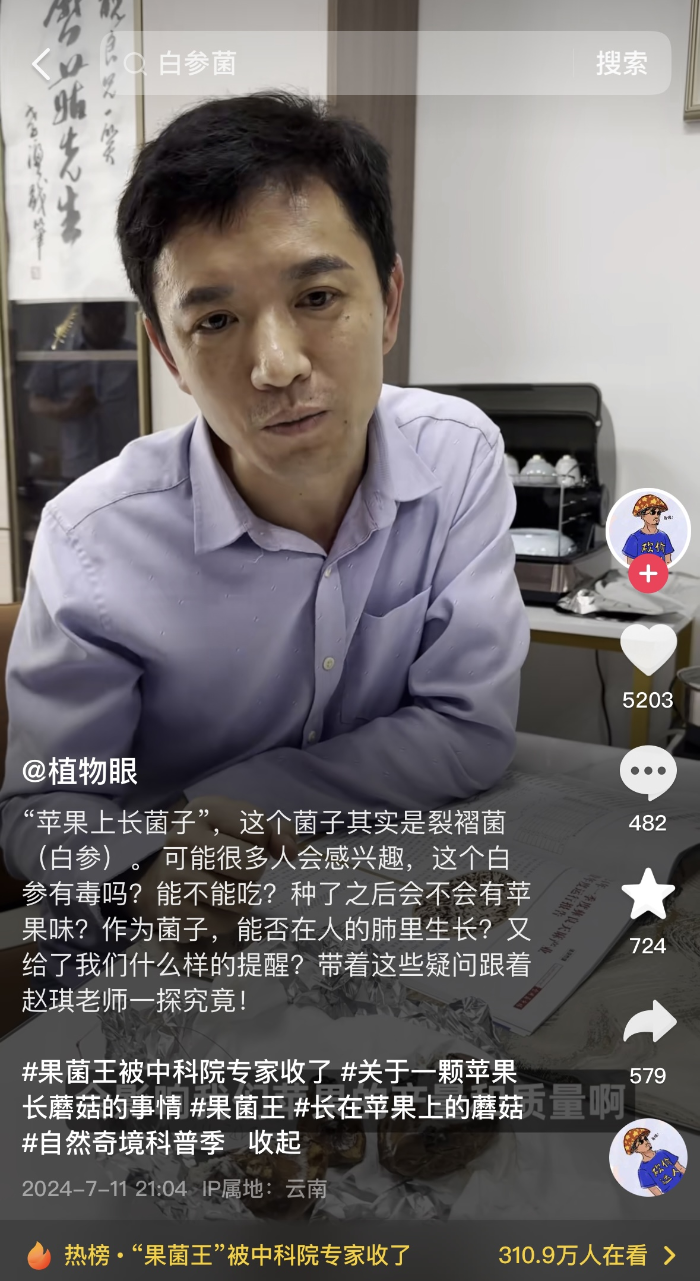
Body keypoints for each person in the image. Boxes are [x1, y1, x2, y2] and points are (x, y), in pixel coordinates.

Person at [0, 92, 529, 989]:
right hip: (156, 953)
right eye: (215, 320)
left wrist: (238, 800)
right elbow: (42, 808)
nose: (278, 365)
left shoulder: (459, 457)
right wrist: (143, 868)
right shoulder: (95, 538)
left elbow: (467, 727)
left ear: (389, 301)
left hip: (356, 920)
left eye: (318, 296)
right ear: (169, 351)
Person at [25, 301, 139, 483]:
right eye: (109, 318)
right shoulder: (58, 352)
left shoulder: (135, 356)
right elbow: (36, 401)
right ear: (86, 317)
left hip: (125, 464)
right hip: (78, 466)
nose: (118, 324)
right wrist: (67, 409)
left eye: (121, 317)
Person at [623, 1127, 685, 1196]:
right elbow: (655, 1190)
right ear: (636, 1150)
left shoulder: (663, 1153)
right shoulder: (643, 1170)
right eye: (641, 1142)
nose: (646, 1142)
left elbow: (680, 1168)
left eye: (645, 1138)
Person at [623, 495, 673, 564]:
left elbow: (668, 561)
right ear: (643, 516)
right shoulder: (634, 538)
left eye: (658, 513)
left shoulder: (664, 537)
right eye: (652, 512)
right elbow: (630, 565)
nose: (656, 516)